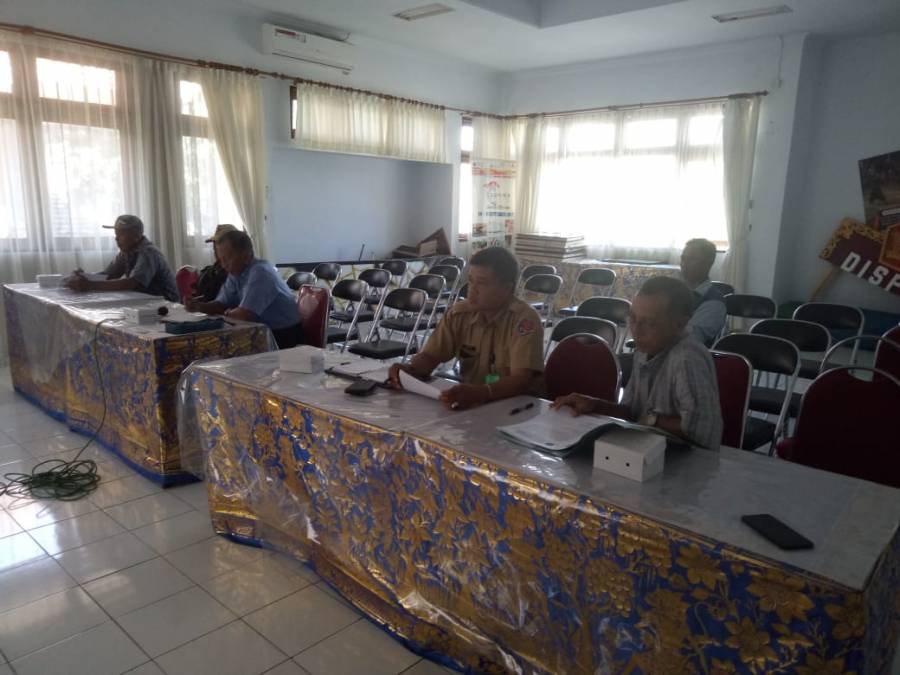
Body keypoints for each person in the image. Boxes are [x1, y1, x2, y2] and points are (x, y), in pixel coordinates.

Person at [553, 276, 723, 450]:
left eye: (649, 323)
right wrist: (594, 405)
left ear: (680, 324)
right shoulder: (644, 350)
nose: (636, 330)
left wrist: (651, 420)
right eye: (632, 318)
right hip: (646, 451)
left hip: (687, 460)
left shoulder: (687, 358)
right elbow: (632, 412)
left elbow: (700, 431)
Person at [387, 246, 544, 410]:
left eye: (481, 283)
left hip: (518, 407)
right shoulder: (459, 314)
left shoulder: (524, 320)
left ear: (506, 288)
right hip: (472, 404)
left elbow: (521, 380)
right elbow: (431, 356)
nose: (472, 289)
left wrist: (482, 392)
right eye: (470, 280)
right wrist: (408, 370)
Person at [184, 230, 303, 349]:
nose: (223, 266)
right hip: (261, 332)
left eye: (227, 259)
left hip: (284, 337)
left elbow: (244, 316)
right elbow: (220, 305)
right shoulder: (235, 273)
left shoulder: (261, 272)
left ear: (246, 256)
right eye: (221, 260)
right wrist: (198, 306)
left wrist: (227, 313)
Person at [65, 215, 179, 302]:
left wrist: (90, 285)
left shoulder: (148, 252)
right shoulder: (126, 252)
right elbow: (107, 275)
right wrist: (83, 277)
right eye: (116, 234)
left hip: (167, 307)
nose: (116, 238)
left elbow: (133, 283)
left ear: (136, 235)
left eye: (121, 234)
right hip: (145, 304)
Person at [680, 238, 726, 347]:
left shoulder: (715, 304)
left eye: (692, 259)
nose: (684, 264)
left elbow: (688, 340)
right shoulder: (673, 290)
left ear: (708, 263)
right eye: (683, 258)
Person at [188, 223, 237, 303]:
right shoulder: (210, 271)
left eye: (219, 243)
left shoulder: (236, 271)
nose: (215, 248)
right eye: (214, 244)